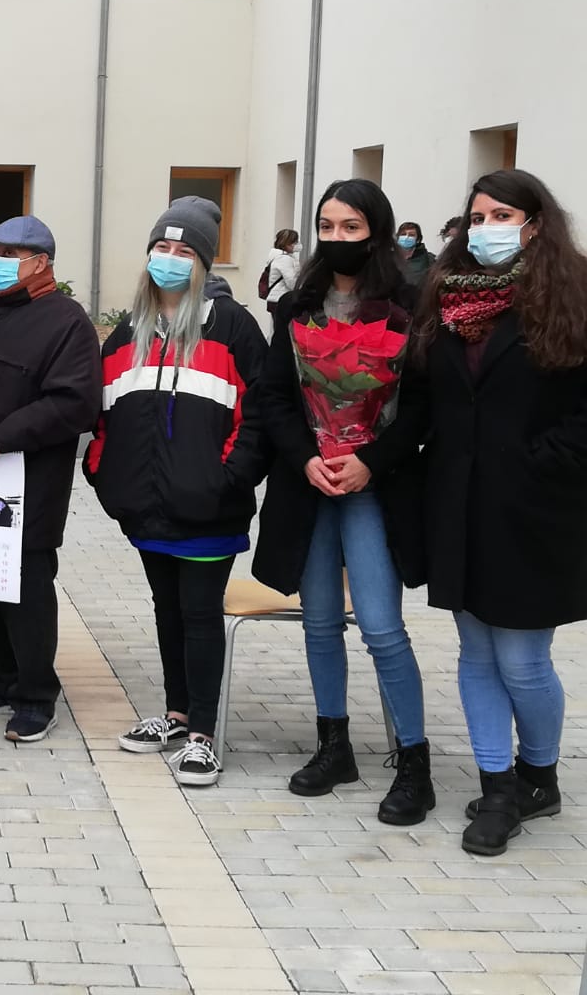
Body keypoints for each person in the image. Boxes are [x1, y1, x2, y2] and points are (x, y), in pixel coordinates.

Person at [399, 170, 587, 855]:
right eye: (475, 217)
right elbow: (422, 399)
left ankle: (539, 775)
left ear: (535, 224)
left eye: (500, 215)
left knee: (522, 660)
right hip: (457, 503)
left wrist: (537, 462)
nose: (484, 230)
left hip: (534, 509)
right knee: (474, 651)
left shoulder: (570, 298)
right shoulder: (445, 301)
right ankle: (497, 787)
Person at [251, 179, 434, 825]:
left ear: (376, 234)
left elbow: (418, 410)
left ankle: (413, 761)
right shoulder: (295, 306)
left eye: (349, 227)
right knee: (320, 623)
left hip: (373, 486)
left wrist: (367, 462)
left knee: (382, 627)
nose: (335, 238)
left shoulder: (410, 311)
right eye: (325, 226)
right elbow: (272, 397)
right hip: (309, 485)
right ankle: (334, 745)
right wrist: (306, 457)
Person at [85, 198, 268, 786]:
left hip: (208, 507)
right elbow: (103, 412)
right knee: (167, 612)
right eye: (161, 249)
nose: (169, 259)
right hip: (144, 506)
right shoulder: (129, 332)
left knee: (199, 615)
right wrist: (101, 470)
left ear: (204, 262)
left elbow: (261, 410)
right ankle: (175, 714)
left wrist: (229, 474)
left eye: (184, 251)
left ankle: (203, 737)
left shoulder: (230, 325)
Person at [0, 215, 100, 744]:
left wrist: (5, 435)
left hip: (26, 481)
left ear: (41, 263)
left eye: (11, 253)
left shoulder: (66, 321)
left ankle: (35, 695)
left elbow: (73, 402)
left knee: (24, 591)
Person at [261, 229, 300, 315]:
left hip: (276, 299)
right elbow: (292, 283)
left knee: (278, 327)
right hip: (282, 300)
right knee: (284, 328)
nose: (297, 245)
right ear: (287, 244)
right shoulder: (283, 259)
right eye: (295, 242)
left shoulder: (277, 257)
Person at [395, 221, 433, 288]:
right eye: (403, 234)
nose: (406, 237)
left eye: (411, 235)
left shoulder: (428, 259)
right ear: (397, 237)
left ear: (418, 239)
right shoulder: (389, 258)